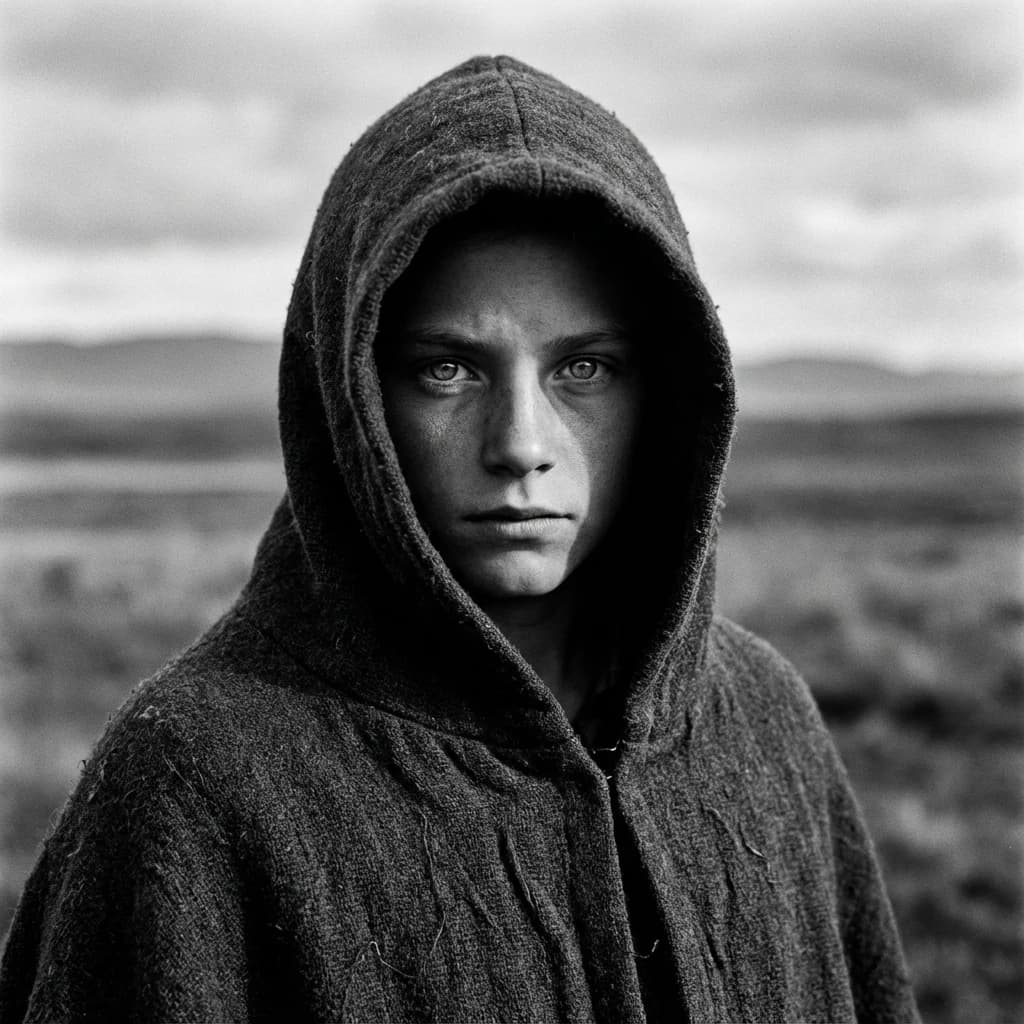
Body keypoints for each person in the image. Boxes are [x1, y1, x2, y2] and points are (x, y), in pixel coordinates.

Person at [0, 56, 919, 1023]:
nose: (521, 445)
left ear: (672, 393)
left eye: (586, 369)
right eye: (446, 370)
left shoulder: (762, 723)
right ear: (349, 398)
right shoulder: (195, 781)